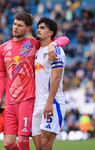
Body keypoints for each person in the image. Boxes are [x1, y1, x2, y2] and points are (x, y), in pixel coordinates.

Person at [0, 12, 69, 150]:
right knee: (37, 146)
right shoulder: (34, 49)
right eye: (14, 24)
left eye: (20, 25)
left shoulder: (43, 47)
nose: (15, 27)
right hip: (30, 103)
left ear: (27, 28)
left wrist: (54, 43)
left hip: (39, 101)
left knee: (42, 143)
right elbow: (1, 75)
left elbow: (65, 39)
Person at [32, 17, 68, 150]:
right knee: (39, 147)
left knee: (45, 143)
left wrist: (49, 102)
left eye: (42, 28)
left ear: (50, 33)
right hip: (36, 104)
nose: (38, 30)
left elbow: (57, 78)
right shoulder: (35, 51)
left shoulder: (56, 51)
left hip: (52, 102)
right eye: (38, 27)